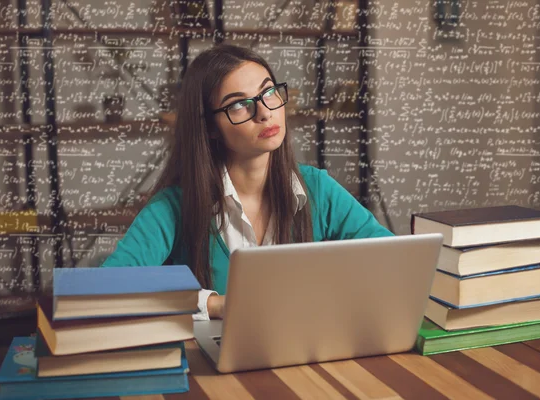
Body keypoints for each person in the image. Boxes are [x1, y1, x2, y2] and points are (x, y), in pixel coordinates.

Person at [101, 44, 393, 320]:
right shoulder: (175, 205)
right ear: (211, 128)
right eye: (239, 104)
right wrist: (214, 304)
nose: (265, 113)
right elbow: (107, 288)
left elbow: (392, 260)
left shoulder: (317, 189)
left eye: (268, 93)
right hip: (212, 366)